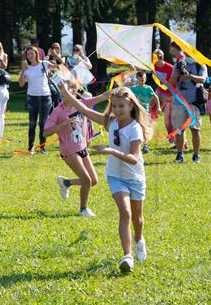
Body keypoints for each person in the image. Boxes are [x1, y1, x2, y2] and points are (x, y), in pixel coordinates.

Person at [59, 82, 152, 273]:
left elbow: (134, 158)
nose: (117, 110)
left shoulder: (135, 129)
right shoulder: (111, 122)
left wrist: (111, 150)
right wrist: (66, 93)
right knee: (124, 213)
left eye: (121, 106)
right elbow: (83, 108)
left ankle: (139, 240)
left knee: (138, 219)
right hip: (115, 175)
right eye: (114, 106)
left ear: (131, 106)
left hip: (134, 177)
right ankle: (127, 256)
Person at [46, 78, 110, 217]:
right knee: (86, 180)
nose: (63, 95)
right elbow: (46, 132)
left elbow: (103, 96)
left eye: (66, 91)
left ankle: (66, 182)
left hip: (82, 147)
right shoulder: (58, 111)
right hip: (69, 150)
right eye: (61, 93)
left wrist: (124, 87)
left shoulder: (81, 104)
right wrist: (62, 125)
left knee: (93, 181)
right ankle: (83, 209)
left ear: (74, 91)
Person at [169, 43, 207, 163]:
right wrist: (176, 74)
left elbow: (203, 79)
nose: (187, 54)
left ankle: (196, 155)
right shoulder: (178, 64)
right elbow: (171, 83)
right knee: (179, 129)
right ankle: (179, 154)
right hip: (179, 101)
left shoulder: (200, 64)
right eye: (186, 52)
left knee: (195, 129)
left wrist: (189, 76)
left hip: (193, 102)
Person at [19, 46, 56, 153]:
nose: (30, 56)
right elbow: (21, 84)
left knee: (43, 124)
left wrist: (55, 57)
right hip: (32, 98)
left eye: (32, 53)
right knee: (32, 123)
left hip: (45, 97)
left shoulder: (44, 64)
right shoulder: (26, 68)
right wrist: (22, 71)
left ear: (36, 54)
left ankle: (42, 147)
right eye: (28, 54)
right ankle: (30, 148)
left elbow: (57, 67)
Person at [130, 71, 159, 153]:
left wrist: (159, 107)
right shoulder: (133, 89)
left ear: (145, 79)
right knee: (135, 128)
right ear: (136, 79)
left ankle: (145, 145)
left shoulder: (148, 88)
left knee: (144, 128)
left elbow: (155, 97)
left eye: (142, 80)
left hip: (145, 112)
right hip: (135, 112)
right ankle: (136, 145)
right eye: (139, 80)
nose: (141, 82)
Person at [152, 49, 175, 143]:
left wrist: (168, 97)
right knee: (151, 112)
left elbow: (174, 85)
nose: (159, 60)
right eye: (156, 58)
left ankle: (172, 139)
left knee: (168, 119)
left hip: (170, 94)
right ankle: (146, 134)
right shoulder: (153, 67)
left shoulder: (170, 68)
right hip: (159, 92)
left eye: (160, 57)